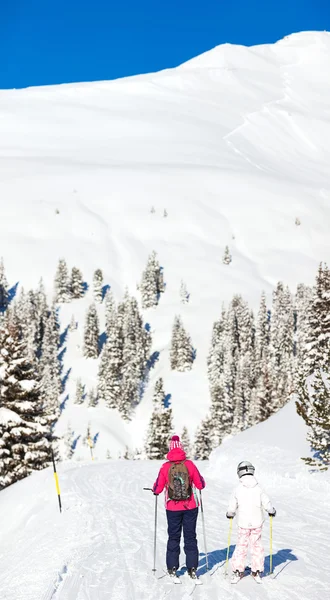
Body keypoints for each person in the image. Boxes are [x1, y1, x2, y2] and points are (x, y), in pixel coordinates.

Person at [153, 435, 205, 580]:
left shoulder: (165, 467)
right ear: (182, 448)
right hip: (191, 507)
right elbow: (200, 485)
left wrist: (155, 490)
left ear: (170, 450)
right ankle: (192, 567)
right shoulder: (190, 465)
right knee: (190, 536)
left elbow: (157, 488)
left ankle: (172, 568)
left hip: (172, 508)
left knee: (174, 537)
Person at [226, 460, 276, 583]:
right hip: (257, 522)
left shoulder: (237, 489)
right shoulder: (259, 488)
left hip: (243, 523)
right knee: (257, 545)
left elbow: (232, 505)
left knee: (241, 545)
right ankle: (257, 571)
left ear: (239, 473)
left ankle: (238, 570)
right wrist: (271, 510)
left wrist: (230, 513)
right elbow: (266, 502)